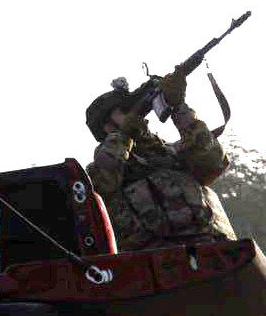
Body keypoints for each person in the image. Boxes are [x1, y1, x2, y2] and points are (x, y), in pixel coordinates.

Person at [84, 73, 236, 252]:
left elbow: (214, 162)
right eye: (125, 111)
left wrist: (179, 107)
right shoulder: (99, 172)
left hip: (218, 251)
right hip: (159, 260)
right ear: (107, 126)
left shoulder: (174, 153)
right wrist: (123, 135)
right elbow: (104, 185)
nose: (137, 114)